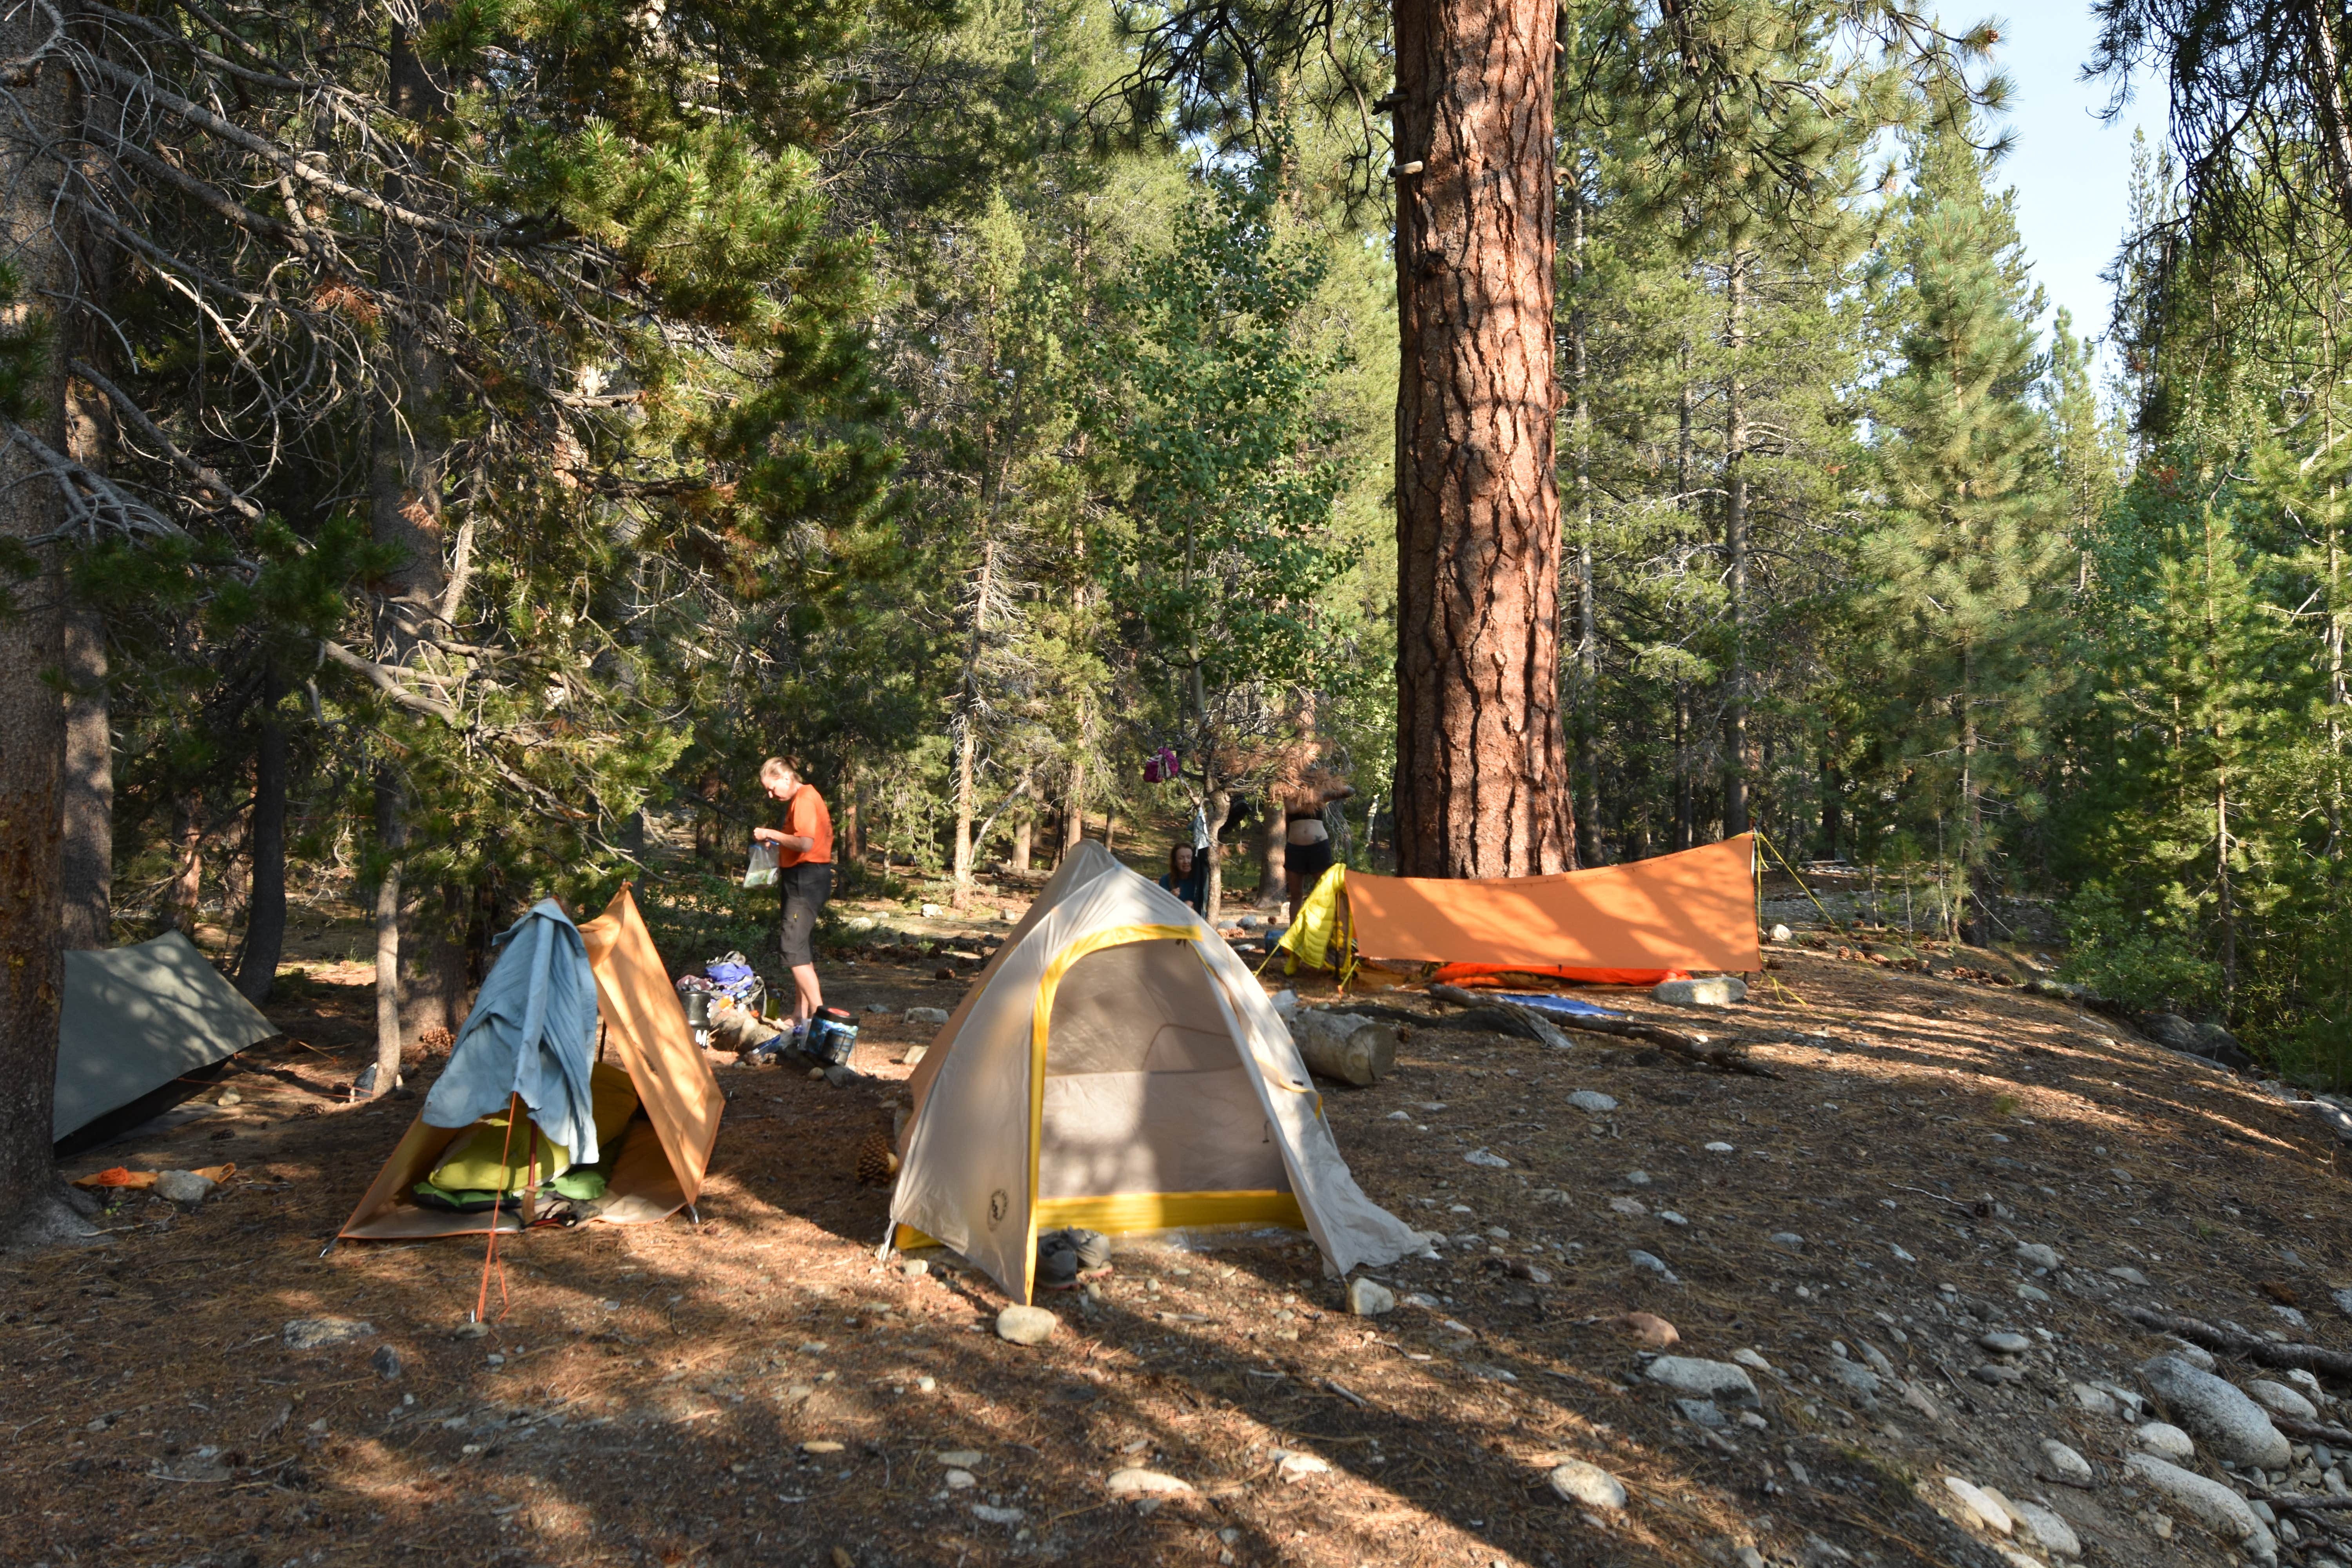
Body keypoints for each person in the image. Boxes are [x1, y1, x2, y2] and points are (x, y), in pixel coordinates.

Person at [751, 756, 833, 1031]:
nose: (770, 794)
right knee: (802, 950)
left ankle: (820, 1019)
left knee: (792, 949)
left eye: (773, 789)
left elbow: (805, 843)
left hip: (806, 880)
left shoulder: (806, 799)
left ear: (786, 779)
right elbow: (795, 841)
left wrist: (770, 833)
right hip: (801, 878)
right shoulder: (800, 800)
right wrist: (773, 842)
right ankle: (801, 1015)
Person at [1283, 769, 1355, 912]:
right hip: (1295, 848)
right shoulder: (1289, 791)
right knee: (1296, 896)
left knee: (1324, 892)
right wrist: (1313, 798)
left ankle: (1326, 932)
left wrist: (1328, 787)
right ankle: (1294, 933)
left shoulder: (1321, 793)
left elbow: (1350, 791)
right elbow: (1291, 809)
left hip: (1318, 847)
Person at [1159, 842, 1206, 915]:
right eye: (1181, 858)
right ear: (1175, 862)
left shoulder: (1201, 880)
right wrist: (1170, 898)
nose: (1186, 862)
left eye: (1189, 858)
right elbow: (1160, 906)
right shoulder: (1165, 880)